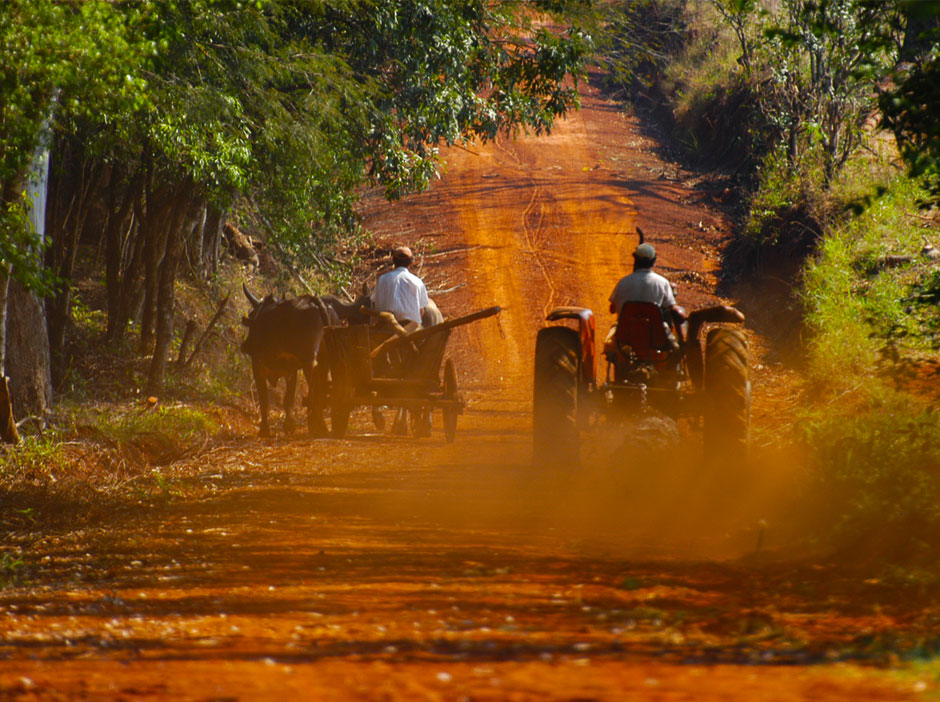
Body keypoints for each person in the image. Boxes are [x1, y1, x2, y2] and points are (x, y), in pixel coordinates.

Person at [608, 242, 686, 346]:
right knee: (674, 346)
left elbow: (612, 309)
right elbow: (672, 308)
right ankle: (683, 346)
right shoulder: (662, 283)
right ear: (653, 261)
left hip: (625, 334)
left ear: (635, 260)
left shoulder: (623, 282)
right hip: (655, 335)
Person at [370, 246, 429, 332]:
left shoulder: (382, 279)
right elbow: (421, 311)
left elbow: (374, 304)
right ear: (411, 263)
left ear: (393, 261)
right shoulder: (417, 282)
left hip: (384, 330)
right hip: (410, 331)